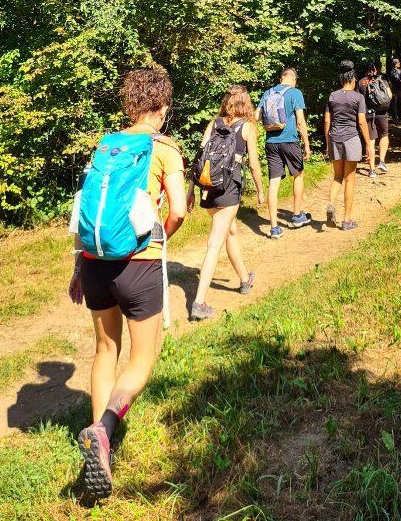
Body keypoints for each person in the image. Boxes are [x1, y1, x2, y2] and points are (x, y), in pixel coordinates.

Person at [69, 65, 187, 502]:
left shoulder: (106, 144)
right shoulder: (163, 149)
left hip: (95, 261)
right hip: (139, 263)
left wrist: (79, 268)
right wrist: (159, 240)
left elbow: (88, 211)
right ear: (160, 108)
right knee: (142, 360)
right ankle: (104, 430)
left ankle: (98, 446)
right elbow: (177, 211)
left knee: (105, 351)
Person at [187, 84, 264, 320]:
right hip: (229, 188)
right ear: (245, 103)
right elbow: (253, 164)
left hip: (209, 188)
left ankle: (243, 279)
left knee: (230, 231)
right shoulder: (248, 127)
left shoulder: (214, 123)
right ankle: (199, 302)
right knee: (215, 242)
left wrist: (191, 190)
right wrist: (260, 190)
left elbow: (199, 158)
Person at [255, 66, 312, 238]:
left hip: (271, 142)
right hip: (290, 140)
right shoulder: (295, 93)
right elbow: (301, 121)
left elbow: (257, 117)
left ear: (281, 79)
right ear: (293, 80)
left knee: (273, 183)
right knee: (298, 175)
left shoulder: (268, 92)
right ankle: (297, 216)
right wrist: (306, 145)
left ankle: (274, 228)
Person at [324, 60, 371, 230]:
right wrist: (369, 145)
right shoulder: (358, 98)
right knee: (349, 179)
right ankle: (346, 220)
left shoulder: (332, 96)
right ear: (353, 79)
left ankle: (330, 204)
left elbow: (327, 120)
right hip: (351, 139)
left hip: (335, 138)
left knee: (337, 176)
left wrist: (328, 142)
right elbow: (362, 122)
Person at [358, 61, 392, 176]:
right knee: (384, 135)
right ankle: (381, 161)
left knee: (371, 141)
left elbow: (358, 99)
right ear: (376, 70)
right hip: (382, 113)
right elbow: (390, 96)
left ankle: (371, 170)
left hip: (367, 115)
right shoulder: (382, 80)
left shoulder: (361, 82)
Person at [388, 57, 401, 126]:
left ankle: (395, 119)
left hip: (394, 90)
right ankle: (400, 117)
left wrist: (390, 90)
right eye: (398, 62)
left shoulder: (390, 72)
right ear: (396, 64)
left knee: (394, 105)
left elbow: (389, 83)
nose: (400, 63)